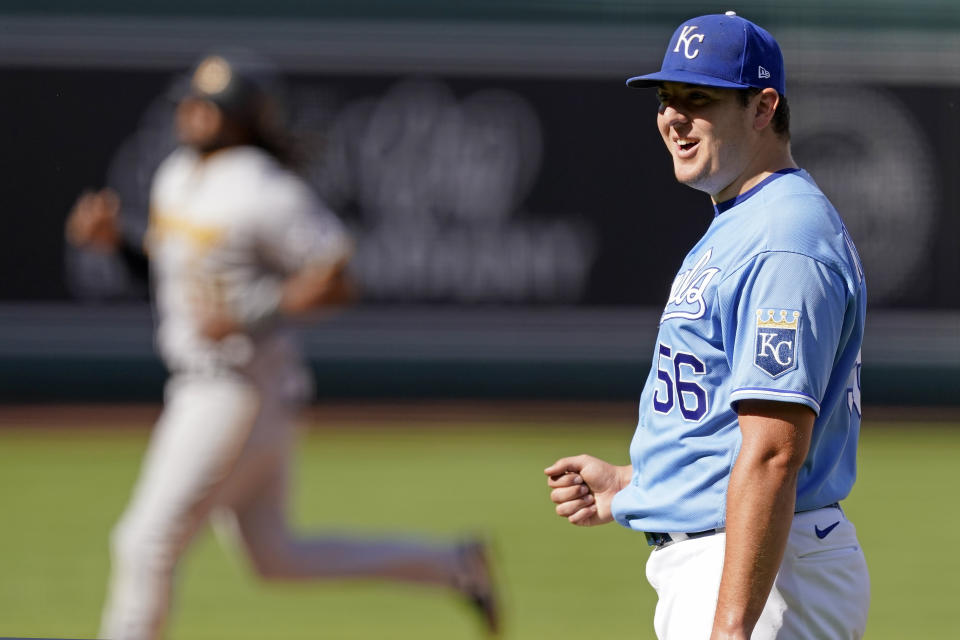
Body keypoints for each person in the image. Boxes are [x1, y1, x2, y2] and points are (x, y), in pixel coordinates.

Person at [66, 51, 498, 640]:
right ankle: (453, 565)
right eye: (192, 102)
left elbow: (339, 278)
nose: (195, 113)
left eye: (212, 106)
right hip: (241, 391)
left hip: (230, 390)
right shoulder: (176, 174)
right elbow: (172, 278)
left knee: (144, 542)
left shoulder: (263, 187)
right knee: (275, 558)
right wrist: (118, 243)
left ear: (243, 117)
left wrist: (251, 313)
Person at [545, 12, 869, 640]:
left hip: (760, 575)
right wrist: (635, 484)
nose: (674, 118)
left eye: (700, 99)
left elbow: (774, 452)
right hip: (745, 564)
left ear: (762, 106)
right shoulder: (747, 219)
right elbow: (730, 428)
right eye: (668, 100)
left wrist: (728, 627)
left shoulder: (784, 241)